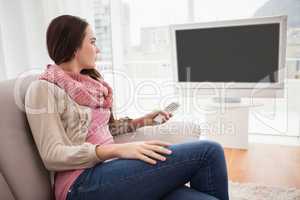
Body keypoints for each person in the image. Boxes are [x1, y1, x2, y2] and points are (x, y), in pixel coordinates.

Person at [25, 15, 229, 200]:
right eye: (93, 42)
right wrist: (119, 150)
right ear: (73, 45)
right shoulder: (44, 88)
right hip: (80, 184)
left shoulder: (90, 84)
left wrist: (144, 121)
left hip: (114, 172)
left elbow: (103, 129)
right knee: (209, 151)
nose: (97, 49)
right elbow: (52, 155)